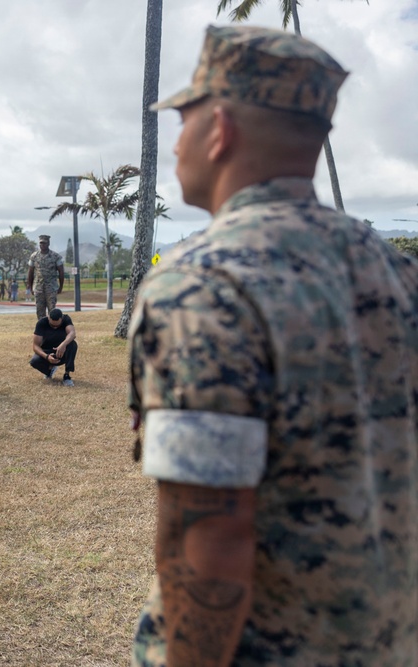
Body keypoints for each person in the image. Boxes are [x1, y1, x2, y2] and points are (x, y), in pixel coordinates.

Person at [128, 25, 417, 666]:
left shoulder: (202, 284)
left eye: (184, 118)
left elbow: (212, 538)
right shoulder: (394, 270)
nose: (177, 142)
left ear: (219, 128)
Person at [30, 308, 77, 387]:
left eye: (57, 325)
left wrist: (63, 345)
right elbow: (35, 346)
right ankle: (49, 371)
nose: (55, 327)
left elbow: (72, 333)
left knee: (73, 344)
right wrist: (47, 356)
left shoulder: (66, 319)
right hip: (47, 351)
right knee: (34, 361)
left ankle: (67, 375)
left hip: (62, 352)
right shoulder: (41, 323)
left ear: (61, 319)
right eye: (52, 325)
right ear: (48, 318)